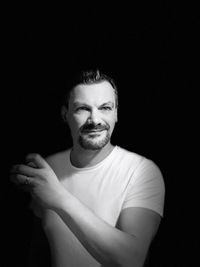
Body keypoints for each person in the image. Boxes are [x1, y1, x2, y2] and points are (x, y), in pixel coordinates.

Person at [10, 69, 165, 267]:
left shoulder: (141, 171)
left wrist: (57, 197)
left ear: (117, 112)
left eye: (105, 108)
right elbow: (37, 252)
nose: (95, 120)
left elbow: (131, 259)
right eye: (83, 108)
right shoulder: (48, 167)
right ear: (65, 114)